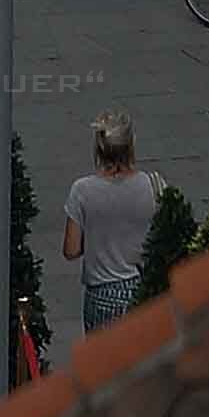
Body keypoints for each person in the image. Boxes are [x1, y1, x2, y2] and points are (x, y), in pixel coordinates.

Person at [65, 114, 158, 330]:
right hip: (140, 288)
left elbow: (71, 249)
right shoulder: (151, 184)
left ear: (99, 150)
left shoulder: (82, 190)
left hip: (101, 293)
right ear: (131, 146)